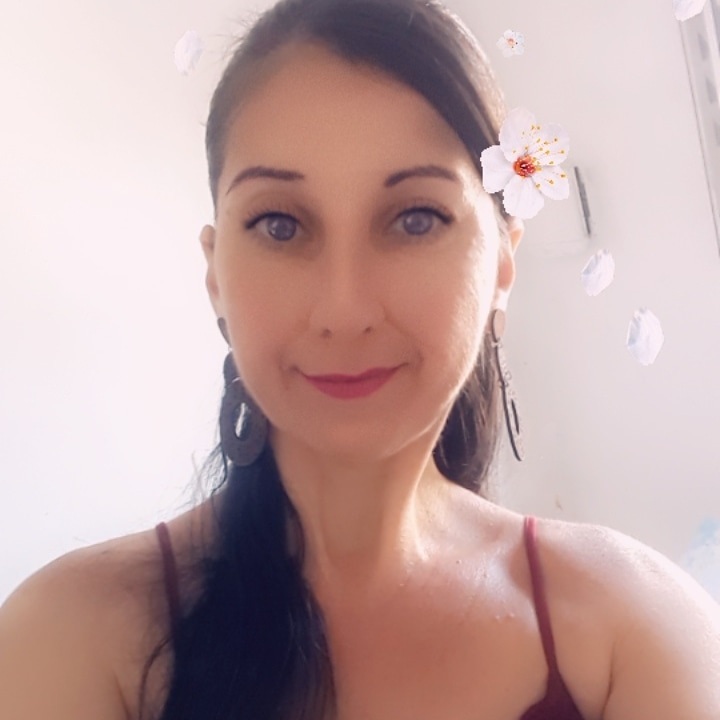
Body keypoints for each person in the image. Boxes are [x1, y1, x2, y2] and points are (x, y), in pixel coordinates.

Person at [1, 0, 719, 718]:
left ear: (502, 263)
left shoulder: (637, 629)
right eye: (280, 225)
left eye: (415, 219)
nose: (344, 310)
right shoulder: (70, 640)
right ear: (216, 274)